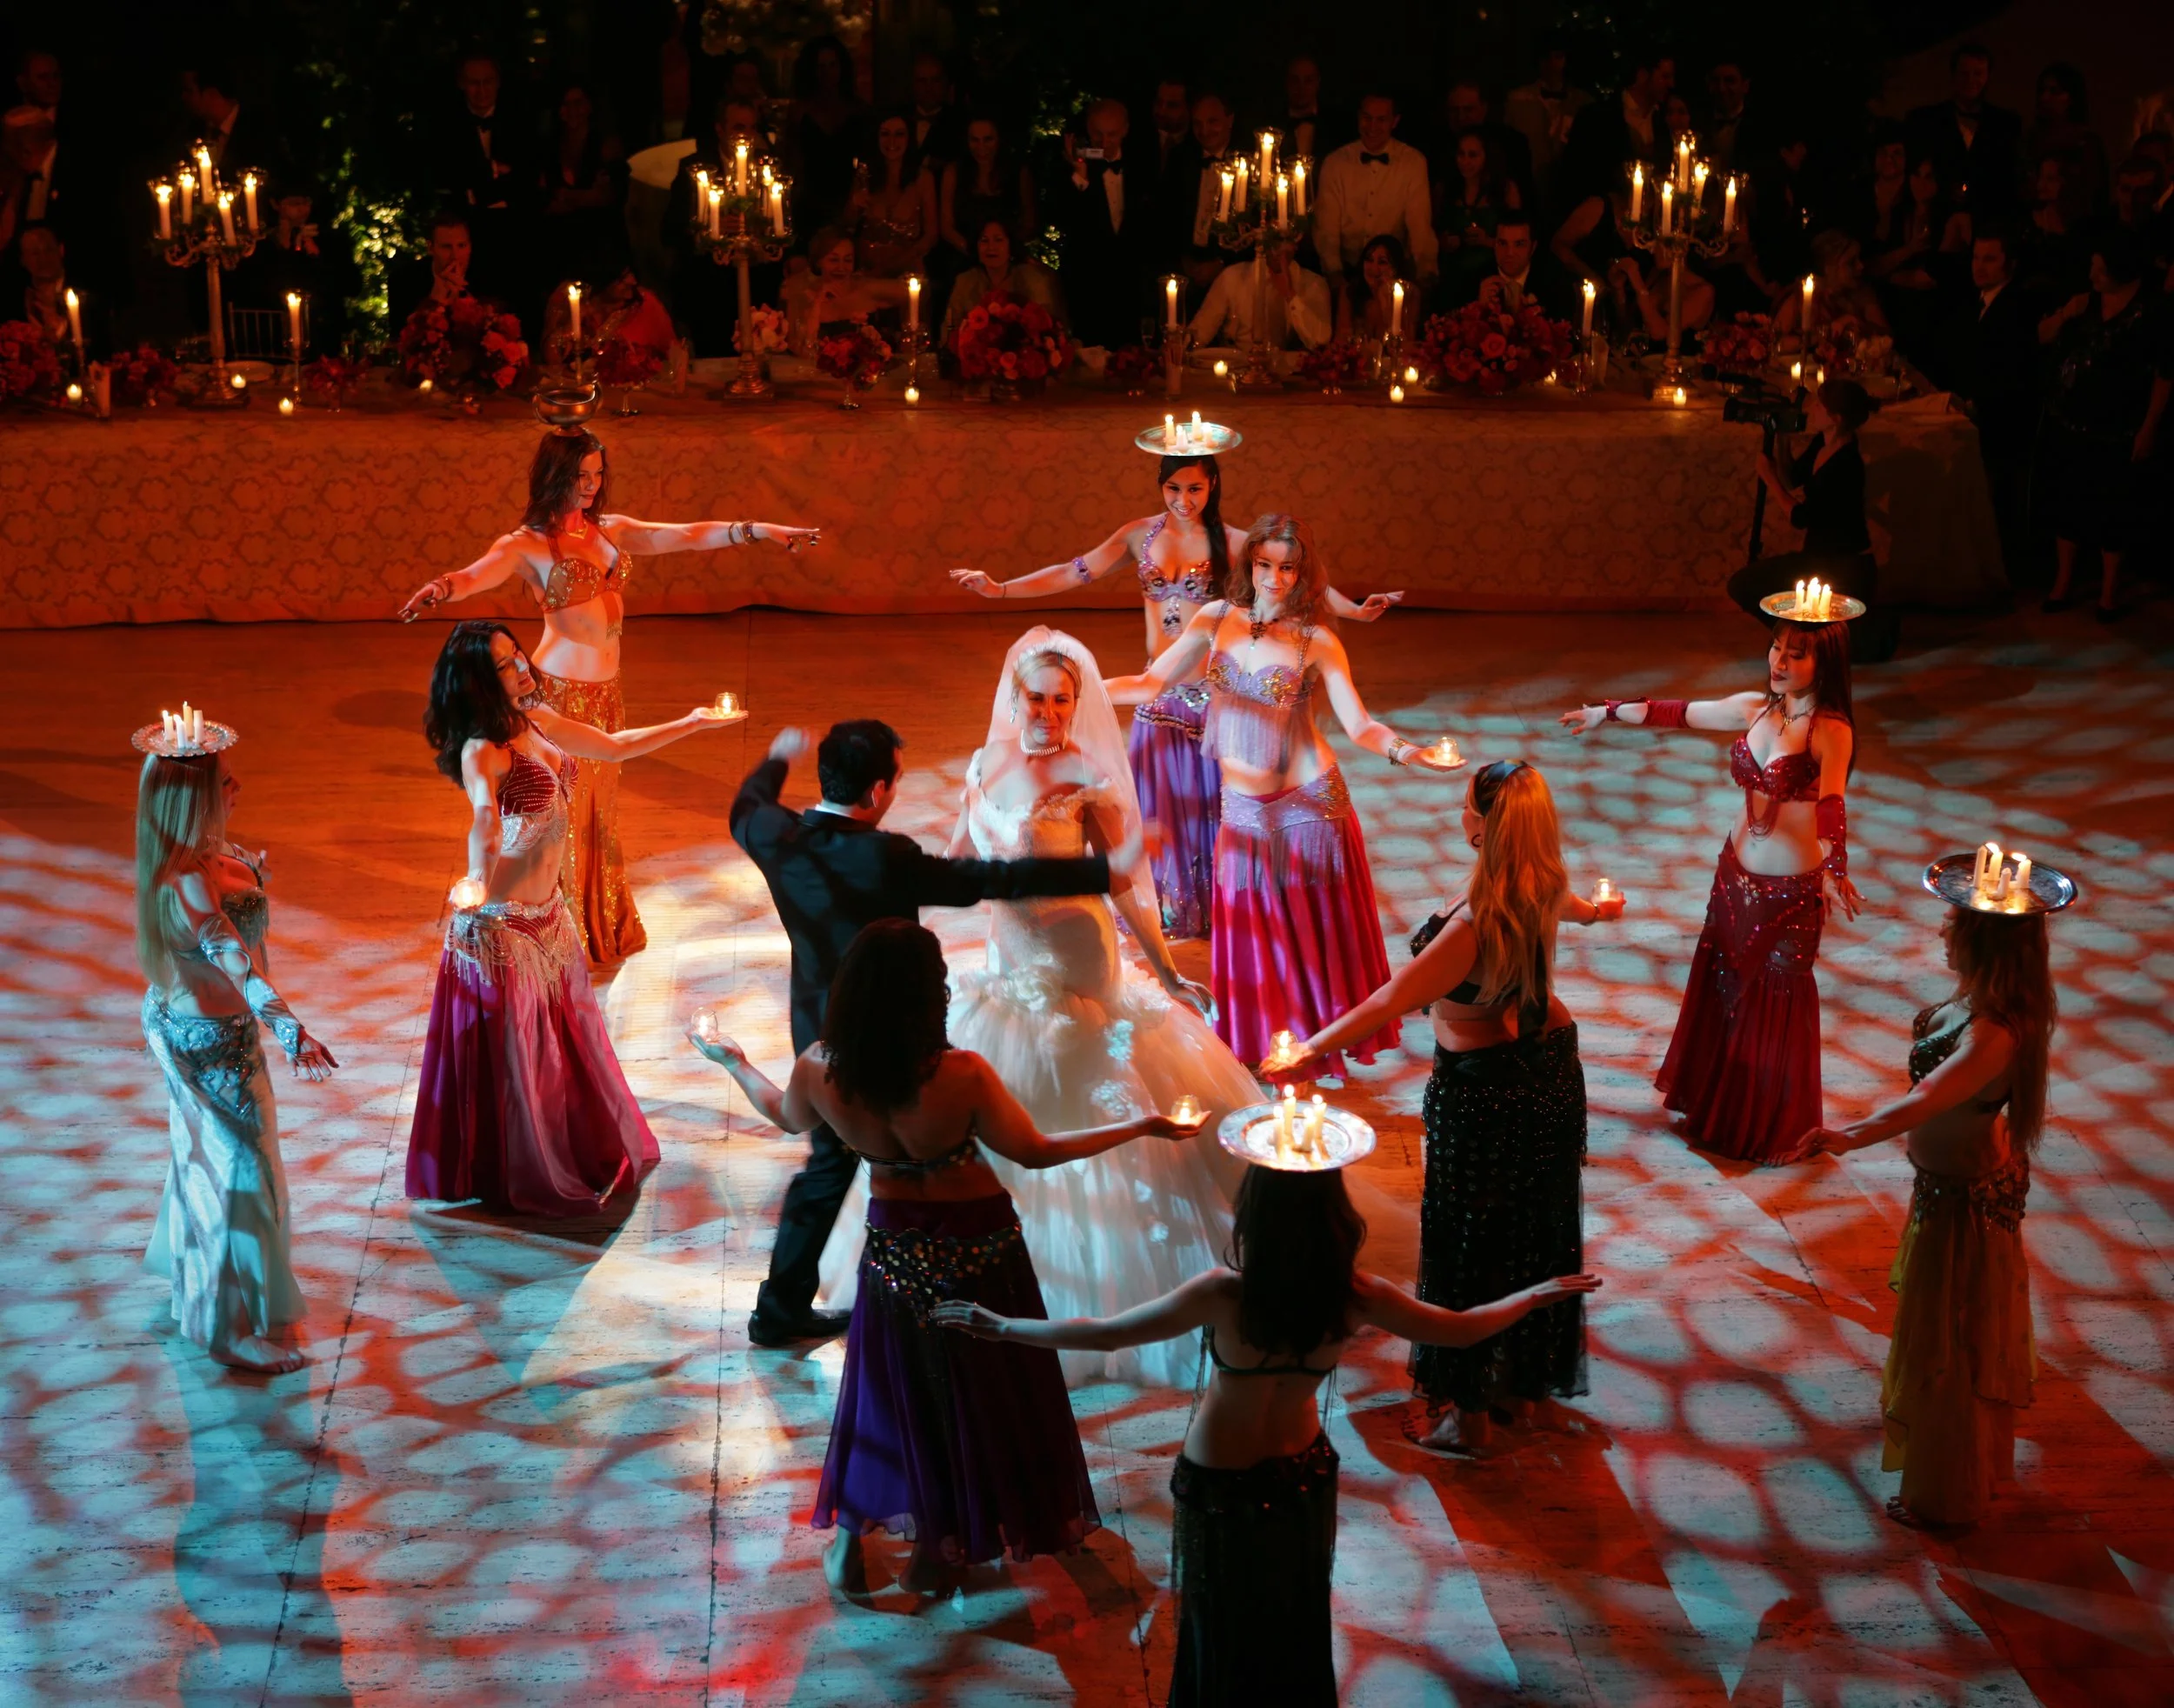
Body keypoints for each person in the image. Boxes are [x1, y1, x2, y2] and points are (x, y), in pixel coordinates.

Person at [935, 1160, 1603, 1703]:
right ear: (1335, 1219)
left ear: (1255, 1215)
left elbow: (1106, 1332)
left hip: (1216, 1480)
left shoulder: (1223, 1293)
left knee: (1218, 1616)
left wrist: (1004, 1328)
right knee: (1291, 1614)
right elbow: (1461, 1326)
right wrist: (1535, 1294)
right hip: (1301, 1474)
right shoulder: (1356, 1295)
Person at [695, 920, 1198, 1595]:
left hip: (894, 1249)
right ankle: (944, 1546)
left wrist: (732, 1060)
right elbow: (1034, 1152)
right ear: (927, 998)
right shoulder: (959, 1074)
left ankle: (851, 1543)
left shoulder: (821, 1067)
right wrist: (1142, 1124)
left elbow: (786, 1117)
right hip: (981, 1249)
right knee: (985, 1391)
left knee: (889, 1390)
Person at [859, 630, 1263, 1386]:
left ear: (1078, 705)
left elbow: (1121, 884)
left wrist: (1170, 975)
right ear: (1013, 697)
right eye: (1036, 697)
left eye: (1062, 699)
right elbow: (960, 852)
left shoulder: (1086, 777)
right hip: (1009, 958)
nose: (1047, 711)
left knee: (1073, 1088)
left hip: (1076, 958)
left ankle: (1113, 1274)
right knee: (1016, 1098)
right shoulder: (986, 763)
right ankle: (1023, 1261)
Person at [724, 718, 1136, 1348]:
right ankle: (938, 1285)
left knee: (828, 1165)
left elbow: (745, 804)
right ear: (876, 792)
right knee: (931, 1150)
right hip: (901, 1025)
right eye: (895, 784)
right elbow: (990, 881)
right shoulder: (886, 857)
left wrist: (777, 759)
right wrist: (1101, 873)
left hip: (820, 1022)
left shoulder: (771, 833)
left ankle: (779, 1310)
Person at [1276, 760, 1620, 1452]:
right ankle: (1528, 1391)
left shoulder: (1471, 924)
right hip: (1549, 1070)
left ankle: (1469, 1416)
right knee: (1535, 1231)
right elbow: (1579, 909)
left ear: (1481, 823)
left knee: (1471, 1245)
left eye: (1466, 804)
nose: (1459, 810)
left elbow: (1386, 1002)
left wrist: (1307, 1050)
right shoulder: (1542, 882)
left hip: (1487, 1088)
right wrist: (1604, 910)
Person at [397, 424, 820, 964]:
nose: (592, 485)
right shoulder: (525, 545)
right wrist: (440, 589)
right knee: (559, 815)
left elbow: (688, 535)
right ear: (555, 475)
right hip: (557, 692)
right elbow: (474, 576)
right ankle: (550, 932)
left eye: (598, 475)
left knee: (600, 814)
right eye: (581, 475)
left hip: (606, 693)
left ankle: (594, 924)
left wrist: (759, 530)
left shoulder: (611, 532)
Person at [950, 443, 1401, 940]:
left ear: (1212, 487)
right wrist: (1002, 589)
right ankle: (1166, 906)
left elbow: (1302, 581)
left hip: (1214, 696)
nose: (1183, 500)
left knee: (1217, 806)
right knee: (1161, 804)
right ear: (1160, 486)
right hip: (1156, 692)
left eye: (1195, 489)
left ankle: (1228, 904)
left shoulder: (1231, 542)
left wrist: (1356, 610)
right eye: (1173, 489)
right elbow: (1073, 570)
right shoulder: (1138, 536)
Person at [1107, 514, 1461, 1076]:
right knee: (1253, 930)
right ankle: (1263, 1042)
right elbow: (1150, 683)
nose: (1275, 578)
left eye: (1287, 568)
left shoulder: (1315, 640)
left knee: (1311, 933)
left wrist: (1409, 753)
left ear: (1302, 573)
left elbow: (1360, 725)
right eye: (1265, 565)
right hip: (1242, 809)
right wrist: (1076, 689)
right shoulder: (1215, 618)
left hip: (1308, 804)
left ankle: (1315, 1041)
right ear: (1251, 566)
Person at [407, 624, 732, 1216]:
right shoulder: (483, 748)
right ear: (481, 680)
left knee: (561, 1051)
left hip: (550, 915)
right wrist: (476, 879)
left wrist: (691, 722)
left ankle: (567, 1148)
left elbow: (611, 745)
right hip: (501, 925)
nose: (523, 669)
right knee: (519, 1064)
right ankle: (521, 1171)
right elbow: (483, 817)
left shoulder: (533, 720)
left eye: (518, 656)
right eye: (505, 666)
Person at [1798, 855, 2067, 1528]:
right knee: (1949, 1340)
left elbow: (1925, 1100)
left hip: (1966, 1203)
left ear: (1983, 941)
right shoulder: (1973, 1004)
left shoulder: (1995, 1033)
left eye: (1954, 924)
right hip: (1947, 1188)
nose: (1943, 934)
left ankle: (1948, 1496)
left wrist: (1846, 1136)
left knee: (1949, 1348)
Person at [1561, 614, 1861, 1162]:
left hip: (1788, 892)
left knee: (1773, 1000)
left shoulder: (1830, 730)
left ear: (1825, 663)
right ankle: (1717, 1107)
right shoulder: (1754, 708)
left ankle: (1770, 1128)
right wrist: (1605, 712)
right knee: (1726, 988)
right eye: (1775, 648)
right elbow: (1675, 713)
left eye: (1795, 654)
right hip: (1733, 879)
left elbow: (1832, 803)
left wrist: (1837, 870)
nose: (1778, 661)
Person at [134, 717, 336, 1374]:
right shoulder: (186, 882)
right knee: (240, 1173)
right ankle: (227, 1326)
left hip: (217, 1031)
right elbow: (236, 965)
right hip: (206, 1045)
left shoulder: (212, 857)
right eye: (225, 781)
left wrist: (251, 875)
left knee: (211, 1161)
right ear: (193, 798)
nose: (237, 785)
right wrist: (291, 1030)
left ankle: (197, 1289)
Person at [2035, 230, 2174, 621]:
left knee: (2114, 507)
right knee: (2068, 503)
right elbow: (2041, 337)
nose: (2092, 275)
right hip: (2070, 422)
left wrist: (2150, 426)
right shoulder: (2085, 302)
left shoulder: (2154, 311)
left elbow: (2166, 373)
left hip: (2118, 426)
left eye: (2100, 269)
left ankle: (2109, 594)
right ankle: (2062, 583)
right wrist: (2066, 314)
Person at [1945, 228, 2040, 579]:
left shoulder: (2015, 307)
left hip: (2005, 423)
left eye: (1989, 259)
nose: (1979, 267)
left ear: (2010, 264)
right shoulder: (1981, 301)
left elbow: (2013, 369)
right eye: (1975, 258)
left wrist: (1976, 402)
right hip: (1986, 416)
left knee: (2001, 498)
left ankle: (2008, 572)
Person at [430, 53, 531, 317]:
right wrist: (497, 173)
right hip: (467, 229)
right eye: (474, 83)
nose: (482, 90)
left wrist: (479, 183)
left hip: (514, 231)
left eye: (488, 82)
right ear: (461, 84)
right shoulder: (445, 122)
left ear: (498, 82)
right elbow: (444, 176)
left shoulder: (521, 118)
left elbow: (528, 177)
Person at [1552, 183, 1713, 343]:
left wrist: (1636, 281)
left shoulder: (1703, 291)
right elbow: (1626, 332)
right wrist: (1619, 290)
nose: (1654, 247)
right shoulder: (1656, 275)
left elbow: (1660, 333)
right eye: (1656, 239)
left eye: (1665, 242)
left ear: (1683, 244)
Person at [1311, 94, 1438, 295]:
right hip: (1346, 271)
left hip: (1394, 275)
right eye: (1367, 118)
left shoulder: (1413, 163)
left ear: (1394, 122)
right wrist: (1335, 275)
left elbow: (1419, 224)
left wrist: (1425, 273)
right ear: (1358, 117)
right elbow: (1326, 227)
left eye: (1381, 120)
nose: (1372, 126)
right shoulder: (1335, 163)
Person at [1056, 97, 1155, 350]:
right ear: (1088, 130)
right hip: (1090, 289)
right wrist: (1080, 177)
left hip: (1132, 289)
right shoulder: (1075, 165)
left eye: (1112, 134)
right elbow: (1067, 221)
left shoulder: (1143, 164)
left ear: (1125, 130)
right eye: (1098, 134)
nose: (1104, 142)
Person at [1906, 42, 2022, 217]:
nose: (1970, 80)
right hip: (1939, 219)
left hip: (1990, 220)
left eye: (1978, 74)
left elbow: (2009, 177)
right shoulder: (1926, 120)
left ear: (1988, 76)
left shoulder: (2006, 124)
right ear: (1953, 75)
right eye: (1964, 73)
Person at [536, 80, 626, 291]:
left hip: (601, 246)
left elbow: (611, 198)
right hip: (560, 247)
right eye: (566, 104)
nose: (573, 110)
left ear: (589, 106)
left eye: (578, 102)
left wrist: (566, 197)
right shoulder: (550, 147)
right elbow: (544, 202)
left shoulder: (607, 145)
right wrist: (586, 197)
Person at [786, 33, 870, 237]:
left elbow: (866, 160)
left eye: (832, 65)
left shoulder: (858, 110)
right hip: (809, 203)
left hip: (849, 200)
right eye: (820, 66)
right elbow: (792, 160)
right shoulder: (799, 111)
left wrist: (855, 198)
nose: (827, 73)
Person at [938, 218, 1064, 353]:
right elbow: (949, 332)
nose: (991, 247)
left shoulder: (1032, 280)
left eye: (998, 240)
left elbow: (1048, 330)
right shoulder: (965, 281)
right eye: (984, 241)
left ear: (1010, 246)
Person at [1187, 236, 1332, 350]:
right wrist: (1179, 345)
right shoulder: (1232, 277)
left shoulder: (1314, 284)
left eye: (1283, 240)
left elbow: (1320, 341)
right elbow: (1200, 331)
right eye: (1272, 242)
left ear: (1295, 244)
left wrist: (1290, 295)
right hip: (1239, 373)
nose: (1277, 251)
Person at [780, 227, 910, 353]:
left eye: (848, 260)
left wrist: (907, 340)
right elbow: (798, 348)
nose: (841, 267)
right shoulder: (801, 294)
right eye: (834, 260)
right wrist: (818, 303)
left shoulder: (866, 289)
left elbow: (914, 294)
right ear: (819, 262)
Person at [1432, 125, 1522, 303]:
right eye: (1461, 154)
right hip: (1451, 279)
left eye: (1473, 155)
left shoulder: (1505, 190)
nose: (1465, 161)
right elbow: (1430, 232)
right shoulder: (1444, 190)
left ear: (1487, 157)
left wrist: (1487, 241)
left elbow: (1521, 239)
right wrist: (1443, 242)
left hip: (1491, 278)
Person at [1504, 39, 1591, 218]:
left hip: (1571, 198)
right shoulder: (1516, 101)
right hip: (1527, 194)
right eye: (1546, 58)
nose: (1552, 64)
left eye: (1558, 57)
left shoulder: (1583, 103)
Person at [848, 110, 936, 279]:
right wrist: (854, 203)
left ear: (909, 138)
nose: (892, 141)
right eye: (885, 134)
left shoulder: (923, 179)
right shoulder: (865, 175)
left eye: (899, 134)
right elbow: (847, 224)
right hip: (865, 270)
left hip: (906, 272)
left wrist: (890, 268)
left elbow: (931, 236)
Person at [1448, 211, 1577, 324]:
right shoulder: (1474, 281)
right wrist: (1479, 309)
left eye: (1519, 244)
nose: (1509, 253)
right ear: (1494, 244)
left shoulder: (1554, 281)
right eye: (1502, 243)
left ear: (1532, 248)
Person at [937, 115, 1035, 264]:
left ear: (1000, 140)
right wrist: (976, 251)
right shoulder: (954, 172)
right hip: (963, 257)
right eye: (975, 140)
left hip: (1009, 259)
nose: (981, 147)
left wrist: (1003, 251)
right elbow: (946, 228)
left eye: (988, 139)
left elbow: (1029, 223)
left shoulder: (1018, 172)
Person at [1172, 90, 1238, 297]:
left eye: (1212, 121)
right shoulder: (1181, 159)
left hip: (1232, 273)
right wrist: (1184, 262)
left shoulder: (1247, 165)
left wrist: (1221, 263)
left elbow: (1253, 226)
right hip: (1185, 272)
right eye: (1198, 124)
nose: (1204, 130)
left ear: (1230, 120)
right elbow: (1168, 215)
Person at [2022, 63, 2106, 221]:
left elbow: (2095, 195)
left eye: (2055, 91)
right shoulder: (2029, 140)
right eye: (2042, 91)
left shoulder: (2087, 143)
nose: (2045, 97)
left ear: (2071, 98)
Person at [1777, 230, 1891, 342]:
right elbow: (1774, 339)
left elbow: (1888, 337)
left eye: (1859, 259)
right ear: (1829, 268)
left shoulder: (1862, 293)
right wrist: (1818, 337)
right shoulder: (1804, 297)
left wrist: (1856, 323)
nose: (1860, 266)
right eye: (1851, 262)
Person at [1334, 233, 1417, 342]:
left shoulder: (1410, 293)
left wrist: (1384, 295)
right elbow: (1341, 339)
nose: (1374, 268)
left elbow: (1406, 341)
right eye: (1369, 259)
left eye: (1382, 262)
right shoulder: (1349, 292)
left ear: (1396, 268)